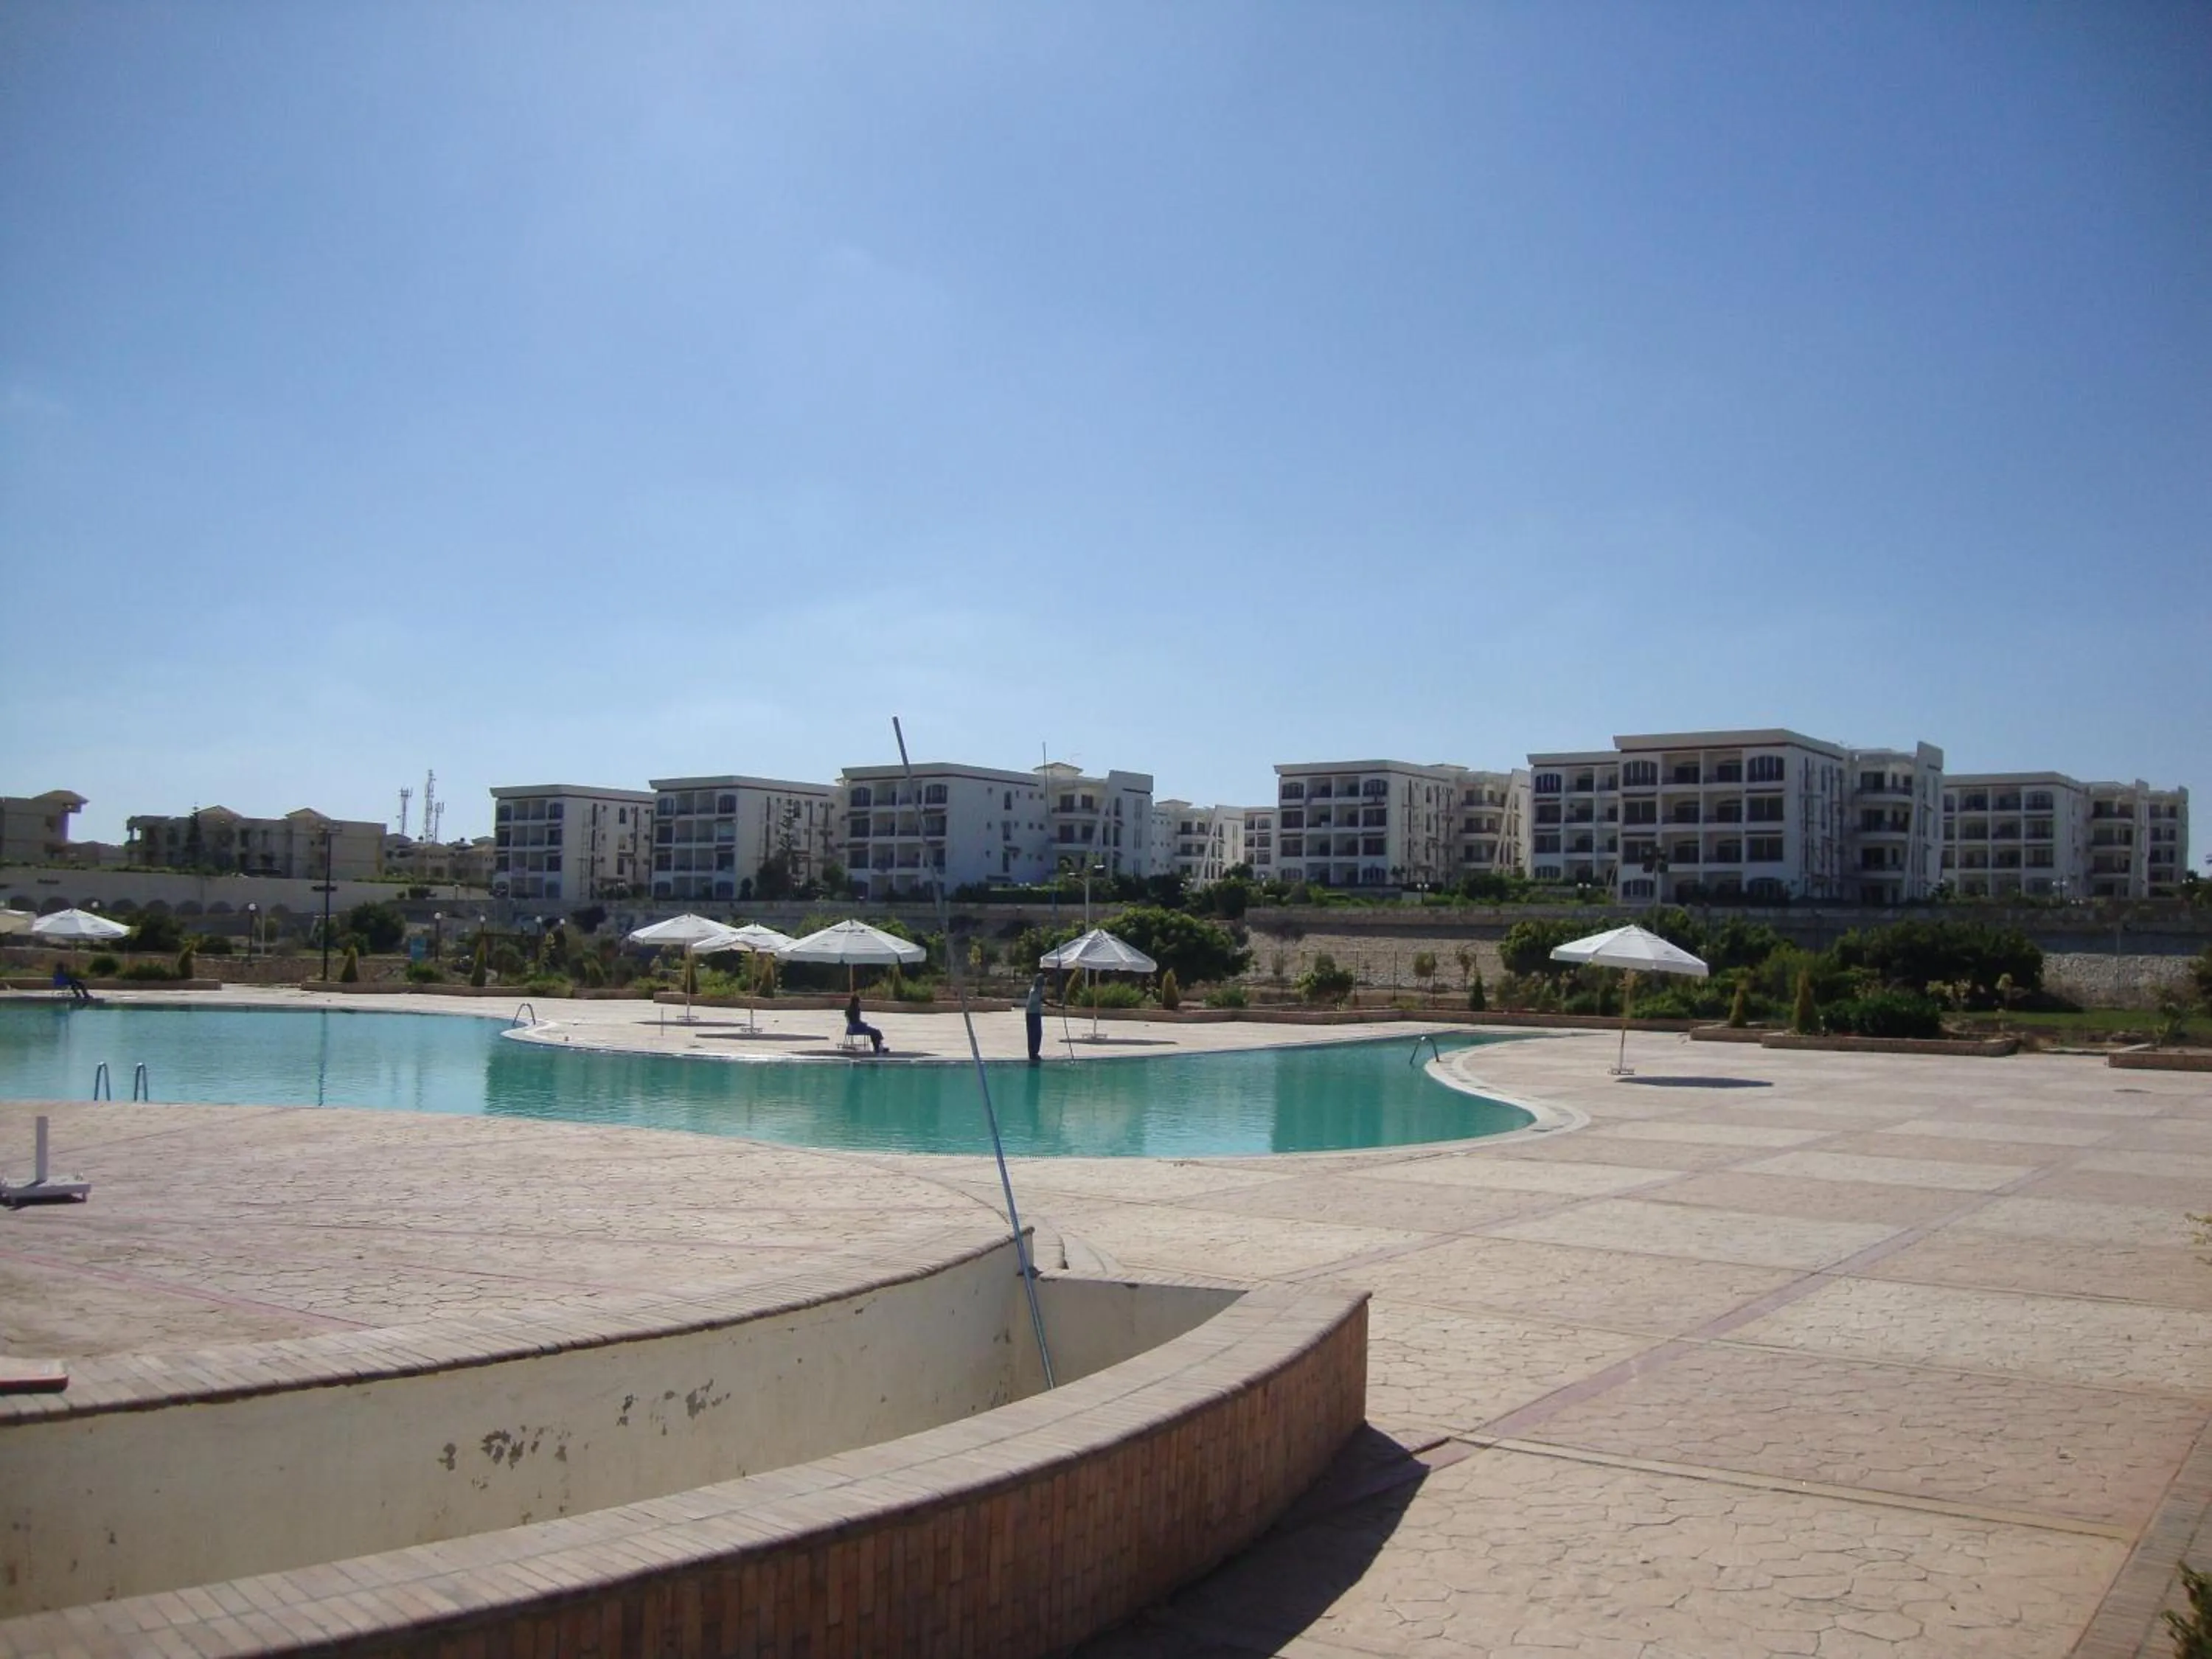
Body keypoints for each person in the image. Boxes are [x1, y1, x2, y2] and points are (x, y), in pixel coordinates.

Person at [845, 991, 886, 1055]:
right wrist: (863, 1024)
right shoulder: (856, 1009)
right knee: (875, 1031)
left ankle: (878, 1047)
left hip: (852, 1028)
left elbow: (852, 1020)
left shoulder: (849, 1009)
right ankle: (878, 1048)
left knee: (873, 1031)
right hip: (857, 1028)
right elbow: (856, 1021)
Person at [1024, 972, 1046, 1065]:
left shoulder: (1038, 989)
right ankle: (1033, 1053)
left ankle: (1034, 1052)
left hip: (1035, 1013)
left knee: (1037, 1034)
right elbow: (1039, 1000)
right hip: (1032, 1014)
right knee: (1034, 1034)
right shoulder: (1035, 990)